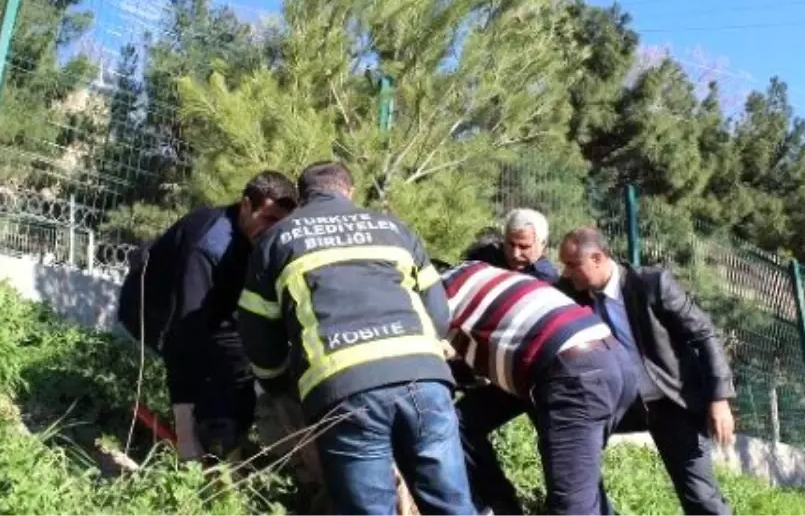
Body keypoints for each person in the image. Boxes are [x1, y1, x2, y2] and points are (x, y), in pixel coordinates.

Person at [237, 160, 474, 516]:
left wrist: (274, 380)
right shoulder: (395, 228)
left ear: (302, 197)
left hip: (346, 387)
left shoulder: (276, 240)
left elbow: (257, 329)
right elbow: (438, 313)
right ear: (350, 191)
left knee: (368, 509)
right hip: (425, 379)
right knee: (451, 503)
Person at [117, 170, 298, 462]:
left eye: (281, 223)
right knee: (213, 371)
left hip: (213, 307)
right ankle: (203, 447)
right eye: (267, 219)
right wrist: (184, 429)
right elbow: (182, 337)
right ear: (245, 206)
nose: (273, 231)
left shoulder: (263, 239)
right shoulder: (207, 246)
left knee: (240, 362)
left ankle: (231, 443)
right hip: (152, 309)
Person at [557, 227, 735, 516]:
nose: (566, 273)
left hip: (672, 402)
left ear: (598, 258)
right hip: (619, 402)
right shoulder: (572, 293)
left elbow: (703, 334)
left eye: (572, 264)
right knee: (573, 457)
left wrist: (719, 398)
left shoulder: (651, 284)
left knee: (701, 497)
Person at [446, 260, 638, 516]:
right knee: (460, 421)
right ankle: (503, 507)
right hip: (599, 359)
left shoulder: (431, 299)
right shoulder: (473, 273)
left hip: (572, 371)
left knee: (573, 503)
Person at [464, 208, 559, 284]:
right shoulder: (484, 256)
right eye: (511, 244)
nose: (515, 254)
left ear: (543, 244)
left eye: (524, 247)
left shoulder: (547, 280)